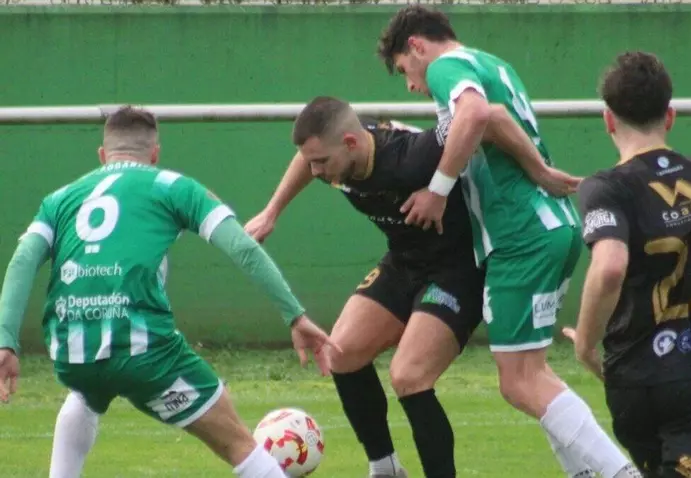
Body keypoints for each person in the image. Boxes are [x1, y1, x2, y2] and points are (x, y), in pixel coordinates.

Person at [244, 95, 577, 478]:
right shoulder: (337, 151)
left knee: (409, 376)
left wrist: (538, 171)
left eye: (322, 162)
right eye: (312, 161)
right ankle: (385, 469)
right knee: (342, 352)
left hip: (457, 271)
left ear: (350, 143)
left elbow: (488, 116)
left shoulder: (412, 155)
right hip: (404, 261)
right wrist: (272, 212)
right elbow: (307, 157)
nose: (316, 170)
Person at [0, 105, 338, 478]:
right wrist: (294, 314)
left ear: (102, 155)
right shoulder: (174, 186)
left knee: (86, 392)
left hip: (71, 351)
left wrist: (5, 341)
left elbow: (22, 261)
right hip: (144, 351)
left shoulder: (59, 198)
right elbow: (242, 247)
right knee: (236, 440)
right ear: (155, 154)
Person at [376, 6, 641, 478]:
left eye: (403, 70)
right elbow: (494, 116)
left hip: (521, 236)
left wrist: (437, 190)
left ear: (416, 46)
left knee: (518, 382)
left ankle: (623, 473)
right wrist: (539, 170)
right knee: (531, 374)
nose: (412, 85)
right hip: (549, 226)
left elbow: (478, 113)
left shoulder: (443, 66)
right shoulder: (492, 63)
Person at [562, 51, 691, 477]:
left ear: (609, 121)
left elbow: (609, 268)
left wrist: (585, 345)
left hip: (632, 380)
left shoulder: (604, 188)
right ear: (670, 116)